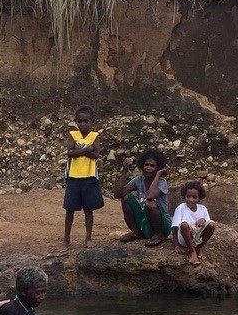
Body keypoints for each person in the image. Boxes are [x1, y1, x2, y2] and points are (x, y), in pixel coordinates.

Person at [62, 105, 104, 251]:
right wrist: (87, 149)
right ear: (76, 122)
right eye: (80, 121)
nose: (83, 124)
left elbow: (96, 154)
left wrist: (80, 150)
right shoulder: (73, 134)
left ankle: (88, 238)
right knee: (70, 210)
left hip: (89, 176)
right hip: (73, 176)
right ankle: (66, 240)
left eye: (86, 121)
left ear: (92, 122)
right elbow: (70, 153)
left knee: (89, 210)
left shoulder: (95, 136)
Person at [114, 147, 171, 246]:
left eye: (152, 166)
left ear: (158, 168)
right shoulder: (139, 180)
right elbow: (118, 194)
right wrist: (124, 172)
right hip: (146, 222)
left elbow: (150, 196)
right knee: (126, 198)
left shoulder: (162, 182)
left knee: (149, 203)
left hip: (162, 225)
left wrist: (158, 175)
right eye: (146, 165)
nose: (148, 168)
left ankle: (158, 235)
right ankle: (135, 231)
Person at [171, 180, 216, 265]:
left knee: (212, 224)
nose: (191, 200)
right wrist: (176, 245)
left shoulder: (203, 209)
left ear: (199, 199)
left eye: (194, 197)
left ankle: (199, 247)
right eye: (188, 196)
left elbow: (208, 224)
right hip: (185, 238)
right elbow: (174, 227)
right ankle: (192, 251)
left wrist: (203, 220)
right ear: (184, 196)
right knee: (184, 224)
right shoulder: (180, 208)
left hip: (198, 238)